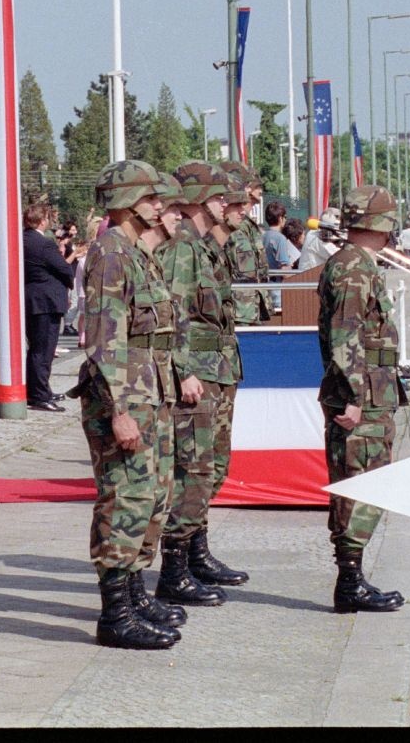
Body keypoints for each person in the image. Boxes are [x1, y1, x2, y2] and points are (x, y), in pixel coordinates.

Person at [73, 159, 183, 650]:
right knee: (124, 500)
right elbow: (104, 337)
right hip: (125, 399)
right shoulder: (111, 255)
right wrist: (119, 410)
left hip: (147, 393)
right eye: (149, 198)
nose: (159, 205)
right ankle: (115, 615)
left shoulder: (135, 253)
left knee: (149, 497)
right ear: (124, 203)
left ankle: (134, 595)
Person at [154, 162, 253, 609]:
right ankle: (174, 571)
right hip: (197, 371)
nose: (228, 204)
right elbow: (171, 314)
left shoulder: (204, 248)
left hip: (217, 368)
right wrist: (182, 369)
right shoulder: (182, 249)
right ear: (195, 199)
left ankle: (195, 551)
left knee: (209, 468)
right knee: (193, 471)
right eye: (218, 197)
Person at [317, 185, 408, 614]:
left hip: (371, 390)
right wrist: (354, 395)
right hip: (361, 397)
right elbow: (345, 334)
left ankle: (352, 578)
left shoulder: (358, 264)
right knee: (361, 483)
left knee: (366, 480)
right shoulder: (353, 268)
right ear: (382, 225)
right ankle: (350, 583)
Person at [22, 203, 77, 412]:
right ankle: (39, 395)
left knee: (36, 349)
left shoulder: (22, 240)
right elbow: (63, 268)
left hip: (32, 299)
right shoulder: (44, 244)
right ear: (43, 220)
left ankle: (38, 389)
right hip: (46, 300)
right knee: (43, 350)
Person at [218, 161, 273, 326]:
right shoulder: (227, 225)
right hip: (237, 310)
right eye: (251, 184)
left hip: (250, 308)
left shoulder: (247, 224)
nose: (255, 189)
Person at [297, 207, 342, 271]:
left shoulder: (312, 233)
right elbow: (339, 256)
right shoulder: (318, 237)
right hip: (309, 277)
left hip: (311, 276)